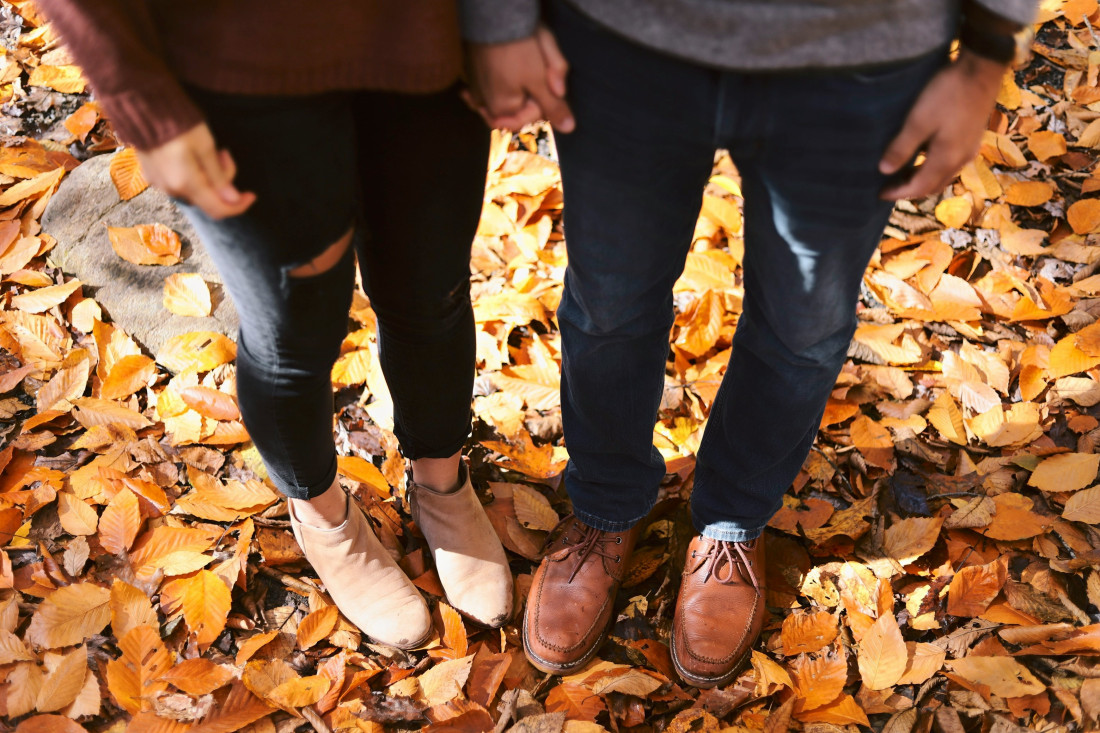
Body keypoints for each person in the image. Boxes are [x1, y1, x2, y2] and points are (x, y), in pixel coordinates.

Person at [463, 0, 1037, 686]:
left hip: (859, 54)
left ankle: (732, 521)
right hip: (625, 35)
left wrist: (986, 54)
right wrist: (500, 20)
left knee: (803, 326)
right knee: (610, 301)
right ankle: (605, 505)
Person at [38, 0, 513, 648]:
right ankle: (322, 517)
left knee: (433, 290)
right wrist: (140, 96)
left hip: (428, 32)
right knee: (293, 330)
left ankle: (441, 481)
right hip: (240, 59)